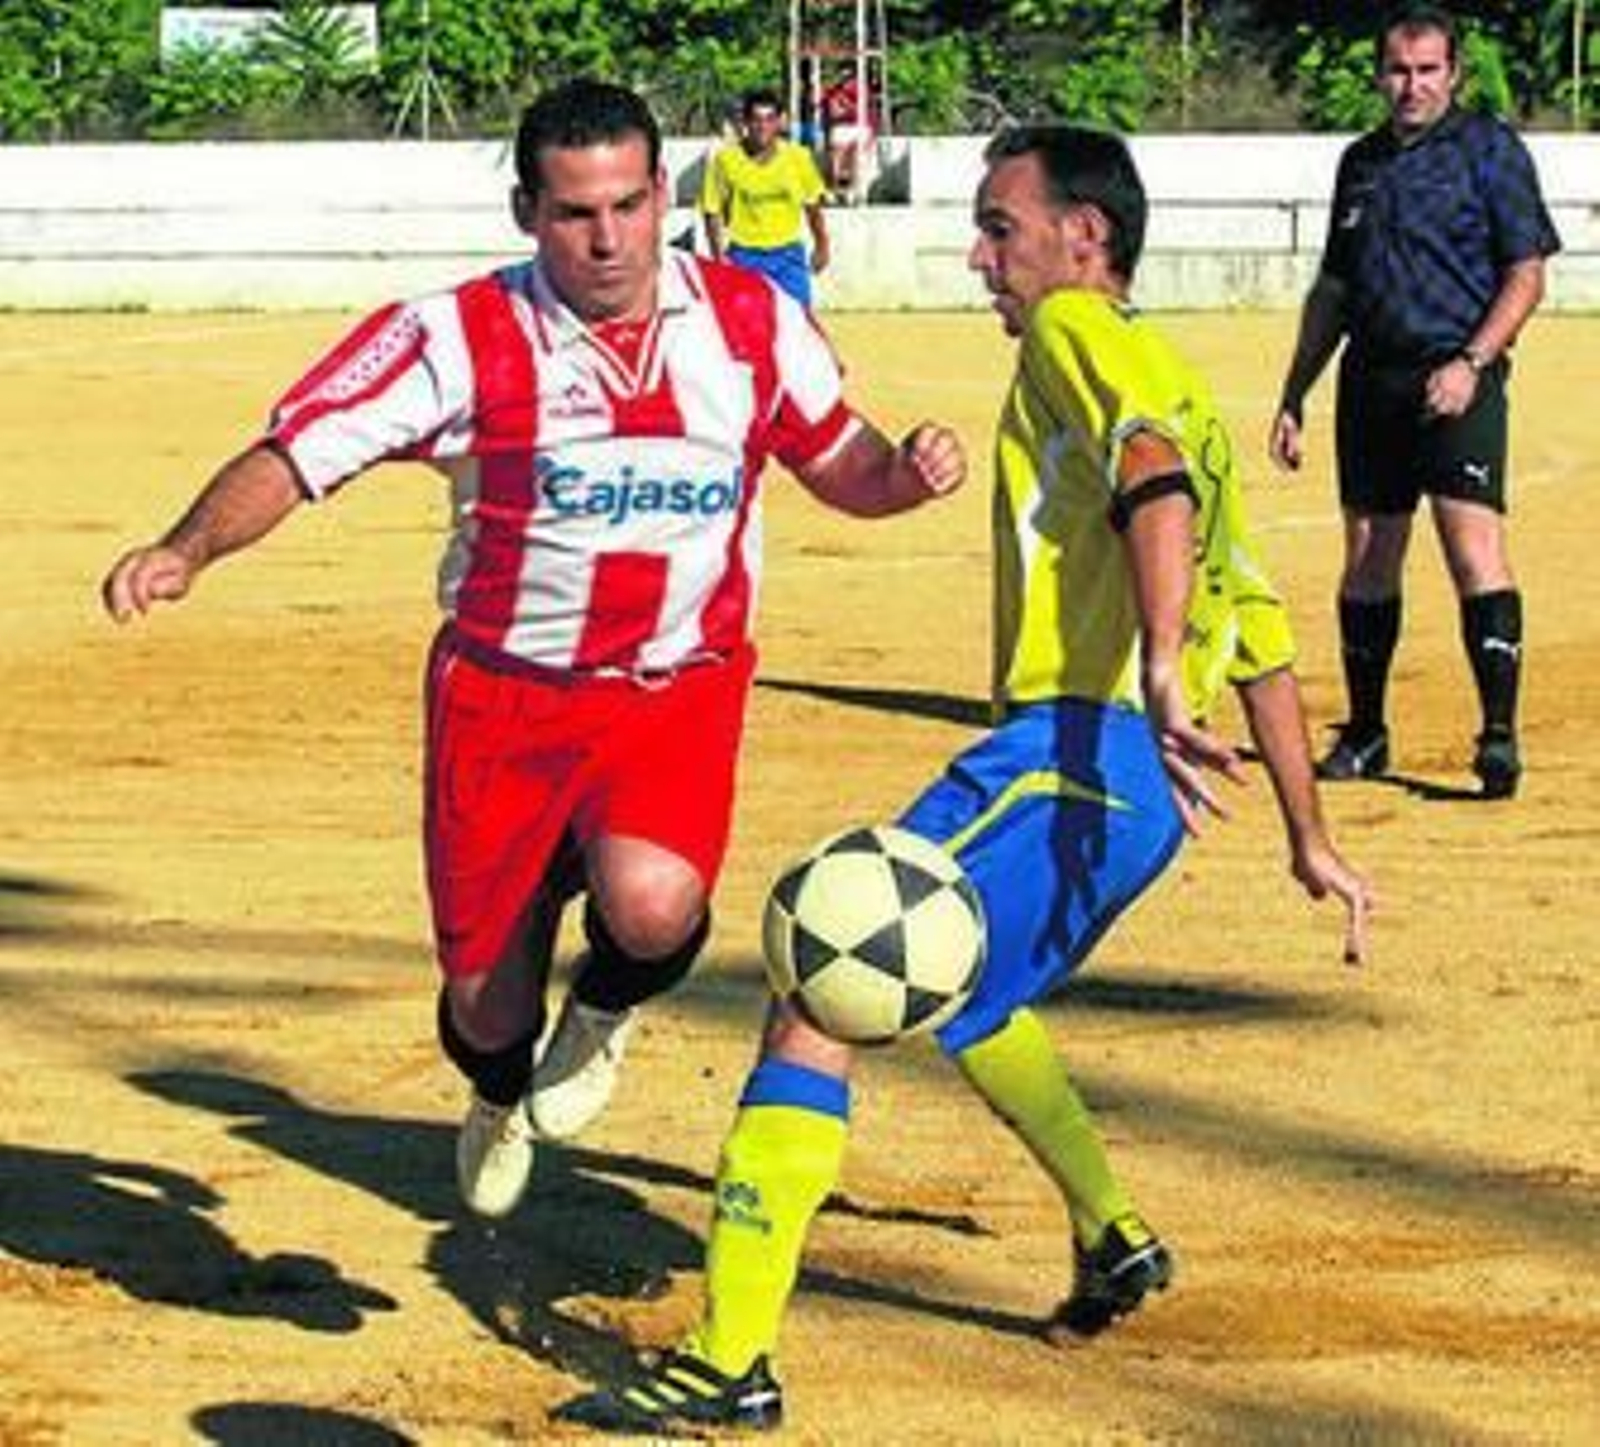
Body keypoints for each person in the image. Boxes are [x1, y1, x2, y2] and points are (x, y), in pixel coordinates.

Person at [555, 123, 1373, 1435]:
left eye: (1000, 227)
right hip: (1136, 796)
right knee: (973, 995)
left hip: (1066, 752)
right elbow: (1265, 636)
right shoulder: (1180, 379)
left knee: (825, 968)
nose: (980, 257)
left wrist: (1161, 664)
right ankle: (1113, 1234)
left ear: (1082, 239)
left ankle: (729, 1356)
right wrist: (1306, 833)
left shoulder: (1073, 332)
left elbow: (1149, 478)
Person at [100, 78, 964, 1225]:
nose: (607, 239)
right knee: (485, 1010)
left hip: (673, 687)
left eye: (627, 205)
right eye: (574, 213)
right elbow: (299, 451)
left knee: (654, 907)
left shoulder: (754, 321)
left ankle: (602, 1008)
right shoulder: (453, 335)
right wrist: (186, 547)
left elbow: (839, 458)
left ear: (662, 197)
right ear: (526, 212)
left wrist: (903, 475)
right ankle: (498, 1092)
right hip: (501, 702)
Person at [1269, 2, 1560, 799]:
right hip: (1372, 380)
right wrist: (1296, 389)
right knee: (1369, 557)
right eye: (1398, 70)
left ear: (1454, 73)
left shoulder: (1489, 150)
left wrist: (1472, 361)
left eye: (1428, 69)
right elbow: (1334, 288)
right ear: (1378, 75)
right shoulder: (1359, 163)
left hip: (1457, 375)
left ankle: (1497, 735)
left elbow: (1527, 273)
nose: (1413, 85)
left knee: (1473, 548)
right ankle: (1366, 732)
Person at [699, 87, 831, 308]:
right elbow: (712, 210)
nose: (763, 127)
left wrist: (822, 245)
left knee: (797, 320)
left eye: (770, 119)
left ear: (780, 122)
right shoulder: (725, 160)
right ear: (745, 122)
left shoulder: (798, 158)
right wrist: (718, 258)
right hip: (743, 256)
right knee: (745, 322)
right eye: (756, 120)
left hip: (788, 256)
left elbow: (812, 205)